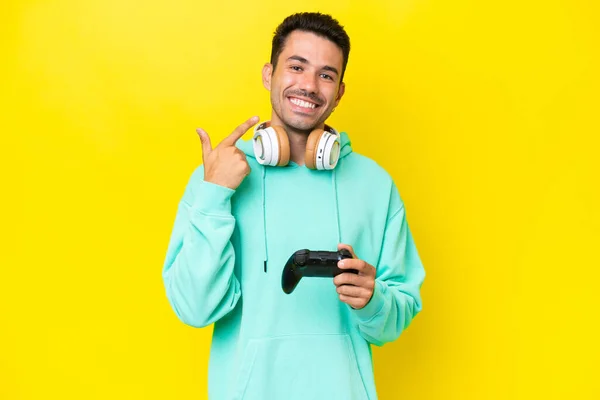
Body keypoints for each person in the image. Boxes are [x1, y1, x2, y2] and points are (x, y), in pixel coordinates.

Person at [162, 12, 426, 400]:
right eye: (297, 66)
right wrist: (214, 195)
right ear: (269, 74)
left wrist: (374, 299)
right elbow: (195, 309)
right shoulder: (218, 177)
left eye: (325, 74)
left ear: (339, 92)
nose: (308, 85)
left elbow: (396, 316)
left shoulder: (375, 184)